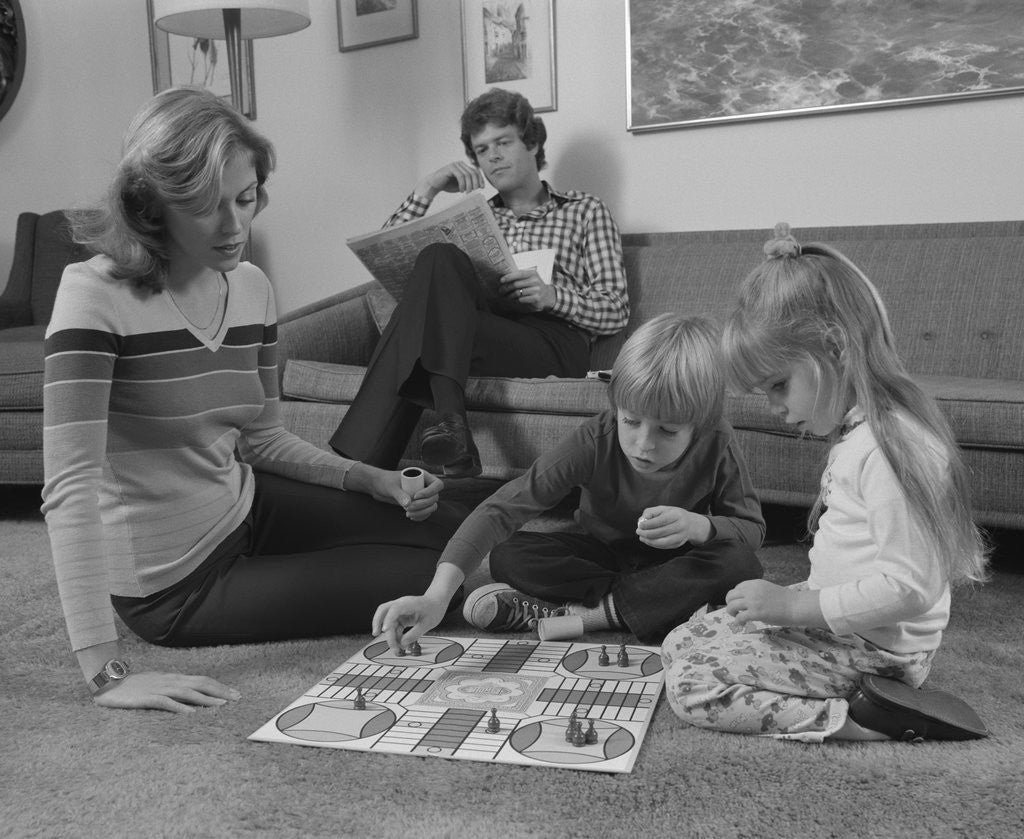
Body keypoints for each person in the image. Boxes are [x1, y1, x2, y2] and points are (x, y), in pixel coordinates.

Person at [41, 87, 465, 713]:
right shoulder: (91, 296)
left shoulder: (251, 287)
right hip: (178, 585)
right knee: (431, 587)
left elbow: (262, 438)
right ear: (149, 207)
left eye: (246, 199)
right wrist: (105, 671)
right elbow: (70, 484)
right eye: (207, 208)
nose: (236, 226)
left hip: (244, 507)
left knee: (454, 539)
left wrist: (372, 480)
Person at [661, 223, 990, 742]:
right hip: (843, 621)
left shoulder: (890, 447)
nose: (774, 407)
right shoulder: (864, 433)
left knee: (693, 686)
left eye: (778, 384)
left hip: (876, 651)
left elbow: (911, 588)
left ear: (834, 349)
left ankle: (863, 720)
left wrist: (794, 608)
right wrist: (795, 602)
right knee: (685, 637)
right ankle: (845, 688)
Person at [372, 313, 766, 649]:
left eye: (668, 431)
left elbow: (751, 530)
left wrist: (699, 526)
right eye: (630, 421)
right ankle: (658, 604)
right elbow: (503, 508)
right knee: (510, 552)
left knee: (740, 563)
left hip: (678, 558)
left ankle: (590, 615)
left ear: (700, 426)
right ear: (614, 405)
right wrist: (436, 597)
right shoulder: (595, 439)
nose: (643, 444)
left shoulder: (718, 440)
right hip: (602, 555)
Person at [329, 87, 629, 478]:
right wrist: (428, 189)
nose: (494, 156)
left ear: (533, 143)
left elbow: (616, 309)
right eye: (483, 149)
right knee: (438, 256)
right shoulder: (474, 216)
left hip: (553, 341)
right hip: (480, 329)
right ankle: (451, 425)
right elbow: (387, 258)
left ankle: (351, 468)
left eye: (503, 142)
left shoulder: (584, 210)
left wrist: (552, 297)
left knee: (417, 326)